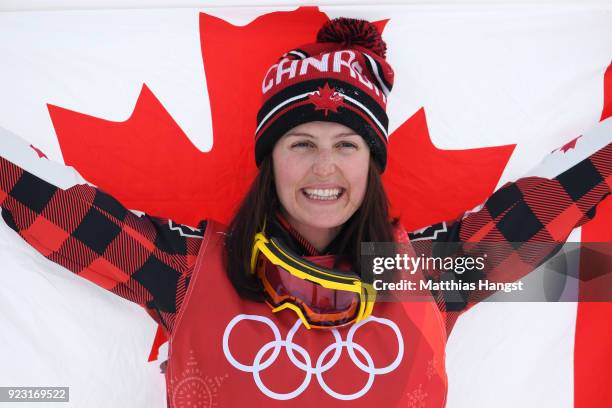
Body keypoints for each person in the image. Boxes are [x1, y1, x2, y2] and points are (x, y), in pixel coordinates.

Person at [0, 17, 610, 408]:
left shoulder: (427, 275)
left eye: (346, 145)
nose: (325, 168)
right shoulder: (187, 268)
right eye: (301, 144)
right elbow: (57, 216)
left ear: (371, 165)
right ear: (271, 163)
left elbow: (544, 213)